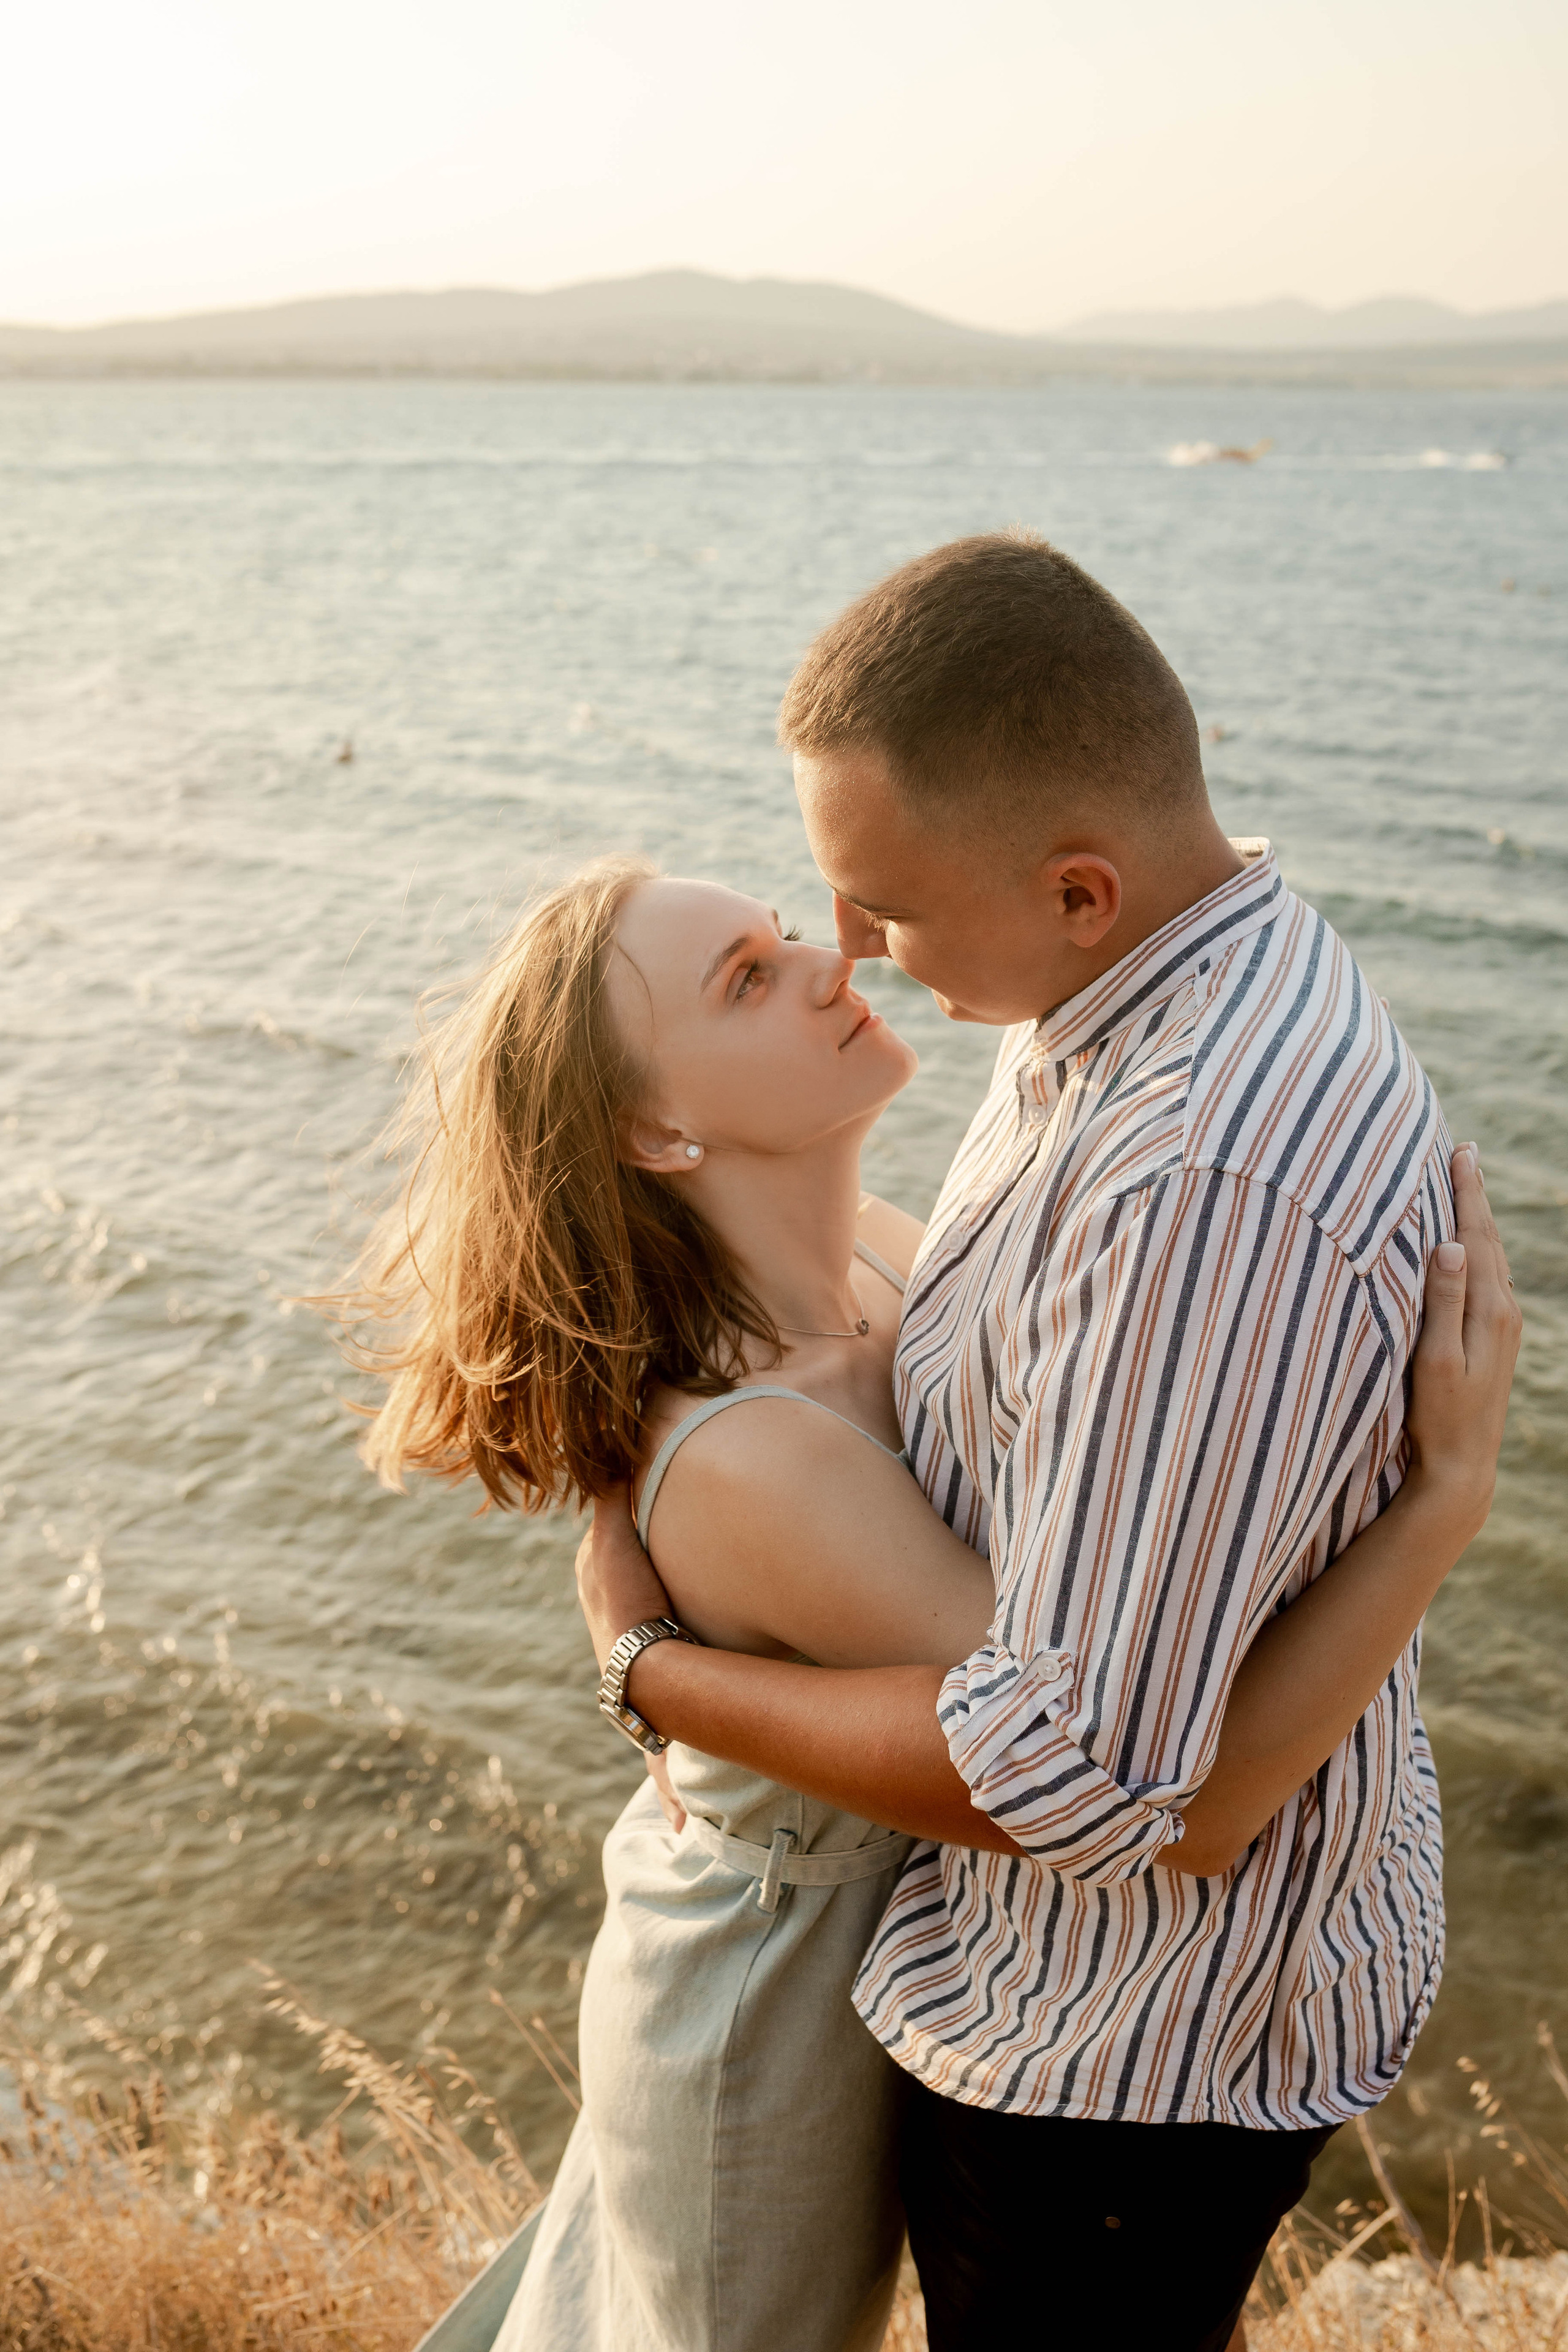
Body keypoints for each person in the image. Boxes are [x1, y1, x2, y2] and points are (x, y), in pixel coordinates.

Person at [350, 668, 1517, 2341]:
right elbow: (1131, 1776)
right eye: (751, 978)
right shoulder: (761, 1453)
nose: (834, 956)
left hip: (892, 1953)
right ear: (657, 1131)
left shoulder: (894, 1252)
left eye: (780, 927)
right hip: (761, 2006)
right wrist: (1437, 1503)